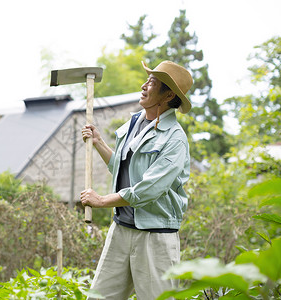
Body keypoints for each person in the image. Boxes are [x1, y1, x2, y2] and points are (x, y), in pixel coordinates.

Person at [80, 60, 193, 300]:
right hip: (121, 230)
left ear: (168, 94)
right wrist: (99, 142)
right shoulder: (133, 123)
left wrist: (101, 201)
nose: (144, 85)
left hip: (155, 237)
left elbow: (148, 189)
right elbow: (122, 168)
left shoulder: (175, 139)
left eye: (152, 82)